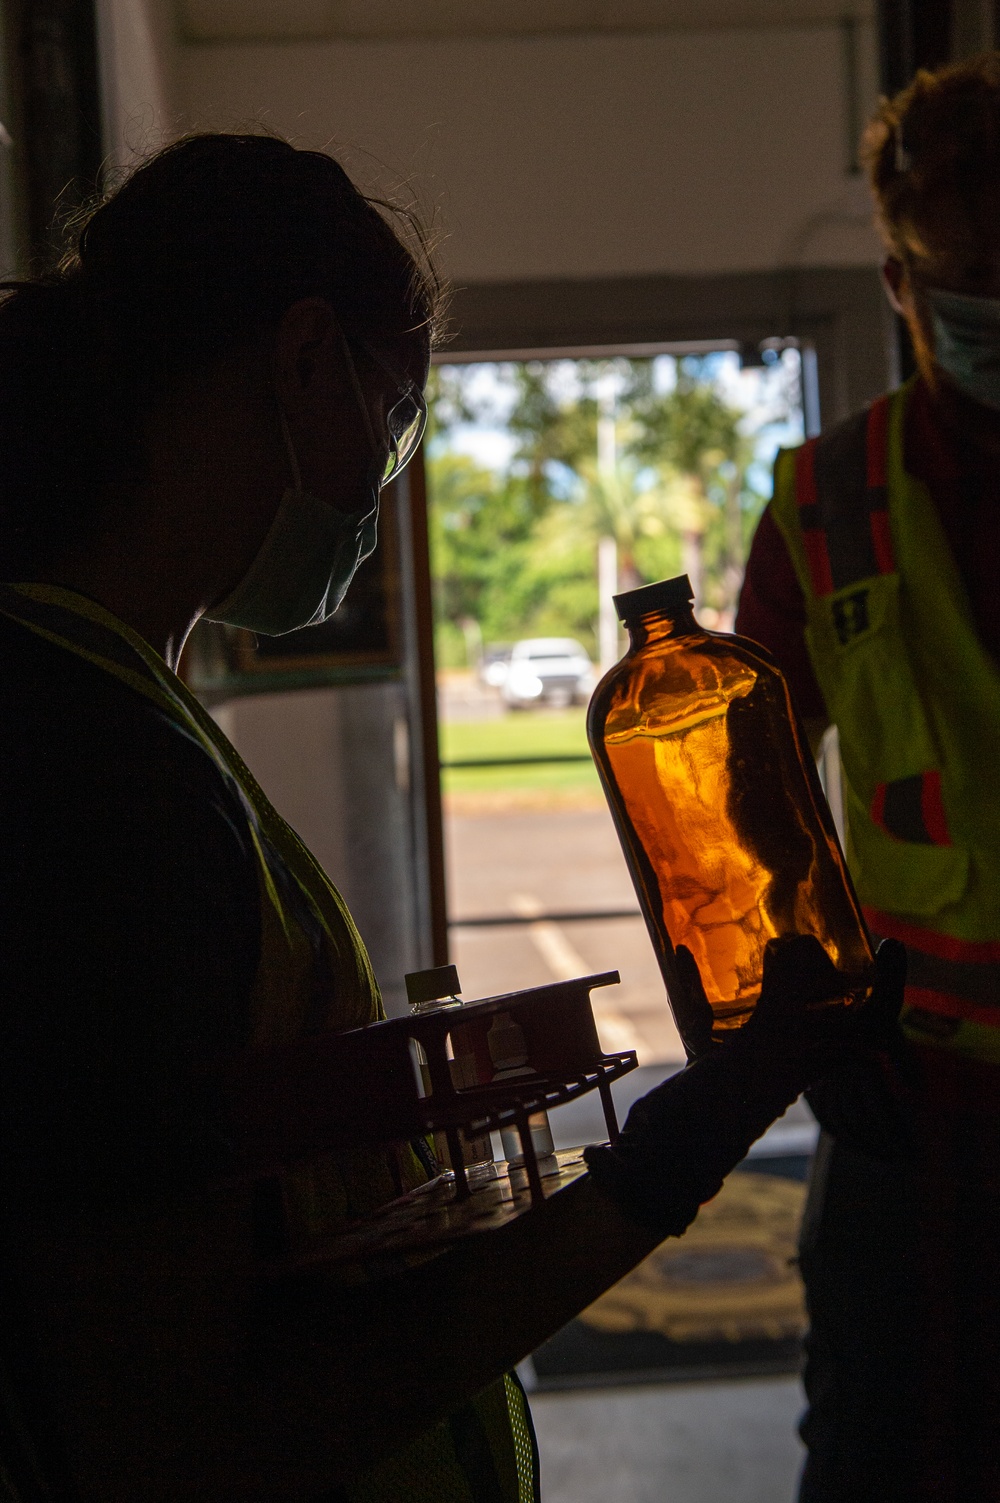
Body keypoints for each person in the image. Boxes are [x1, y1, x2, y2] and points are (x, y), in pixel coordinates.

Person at [0, 132, 898, 1503]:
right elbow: (180, 1444)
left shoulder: (115, 701)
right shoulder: (96, 776)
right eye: (399, 412)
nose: (388, 479)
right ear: (306, 361)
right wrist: (664, 1166)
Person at [737, 53, 1000, 1503]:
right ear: (899, 283)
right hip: (926, 1122)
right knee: (885, 1461)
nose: (988, 314)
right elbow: (755, 813)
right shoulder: (828, 505)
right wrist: (823, 1025)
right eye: (958, 281)